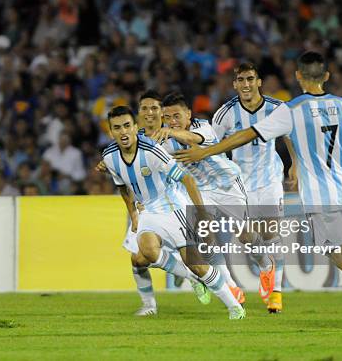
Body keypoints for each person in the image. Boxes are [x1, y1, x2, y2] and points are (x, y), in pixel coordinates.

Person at [175, 51, 342, 331]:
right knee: (337, 251)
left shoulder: (291, 110)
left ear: (298, 76)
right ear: (326, 76)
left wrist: (208, 151)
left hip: (318, 195)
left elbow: (247, 135)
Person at [103, 105, 245, 319]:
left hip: (172, 206)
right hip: (149, 211)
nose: (123, 132)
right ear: (111, 132)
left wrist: (201, 213)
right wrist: (133, 213)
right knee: (145, 252)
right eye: (117, 128)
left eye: (126, 126)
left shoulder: (152, 151)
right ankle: (165, 294)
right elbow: (122, 186)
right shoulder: (109, 157)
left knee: (198, 265)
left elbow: (186, 178)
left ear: (135, 127)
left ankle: (234, 307)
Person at [99, 91, 211, 316]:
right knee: (138, 259)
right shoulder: (132, 136)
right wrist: (106, 164)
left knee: (199, 260)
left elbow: (202, 145)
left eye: (154, 109)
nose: (149, 113)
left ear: (163, 113)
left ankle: (224, 292)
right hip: (145, 208)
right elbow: (120, 166)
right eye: (144, 109)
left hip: (175, 204)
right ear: (138, 115)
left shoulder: (175, 136)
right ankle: (149, 305)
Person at [211, 63, 295, 313]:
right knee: (246, 237)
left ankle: (276, 294)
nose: (246, 84)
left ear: (259, 82)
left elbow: (290, 136)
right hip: (239, 184)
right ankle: (263, 265)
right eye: (241, 80)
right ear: (235, 84)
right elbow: (212, 147)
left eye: (250, 78)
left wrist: (295, 166)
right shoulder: (224, 114)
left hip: (269, 180)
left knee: (271, 235)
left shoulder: (277, 108)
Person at [153, 92, 247, 304]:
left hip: (227, 184)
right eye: (166, 118)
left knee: (245, 235)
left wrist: (169, 132)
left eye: (176, 116)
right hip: (199, 189)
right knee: (206, 236)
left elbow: (192, 139)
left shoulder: (203, 127)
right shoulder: (165, 141)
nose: (172, 122)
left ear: (189, 114)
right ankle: (230, 286)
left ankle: (265, 263)